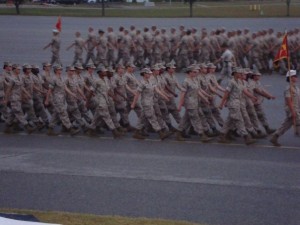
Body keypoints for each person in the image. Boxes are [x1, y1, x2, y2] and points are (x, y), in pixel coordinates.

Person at [270, 70, 300, 146]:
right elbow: (288, 100)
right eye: (294, 76)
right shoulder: (288, 88)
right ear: (290, 78)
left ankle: (275, 136)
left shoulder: (296, 87)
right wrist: (292, 111)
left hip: (297, 108)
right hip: (292, 108)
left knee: (287, 124)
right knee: (296, 123)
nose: (296, 77)